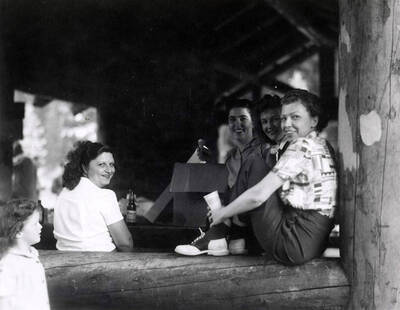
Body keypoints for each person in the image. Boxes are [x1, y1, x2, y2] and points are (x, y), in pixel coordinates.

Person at [207, 89, 337, 265]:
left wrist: (222, 213)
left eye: (295, 117)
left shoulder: (302, 146)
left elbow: (258, 196)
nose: (286, 124)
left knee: (255, 163)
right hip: (314, 242)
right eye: (284, 118)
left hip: (291, 243)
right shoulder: (321, 144)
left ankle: (221, 231)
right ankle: (230, 230)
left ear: (314, 120)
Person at [175, 98, 269, 256]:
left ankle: (217, 236)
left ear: (253, 123)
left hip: (258, 215)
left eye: (243, 119)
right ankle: (229, 237)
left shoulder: (263, 151)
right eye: (232, 119)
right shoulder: (231, 158)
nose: (237, 124)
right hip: (238, 221)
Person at [53, 141, 133, 252]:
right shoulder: (105, 196)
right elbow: (126, 244)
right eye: (101, 164)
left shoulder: (64, 193)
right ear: (85, 168)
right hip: (100, 265)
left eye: (111, 164)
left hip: (64, 262)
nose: (109, 170)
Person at [0, 199, 50, 310]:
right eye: (34, 224)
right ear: (18, 231)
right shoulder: (8, 265)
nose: (40, 227)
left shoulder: (32, 255)